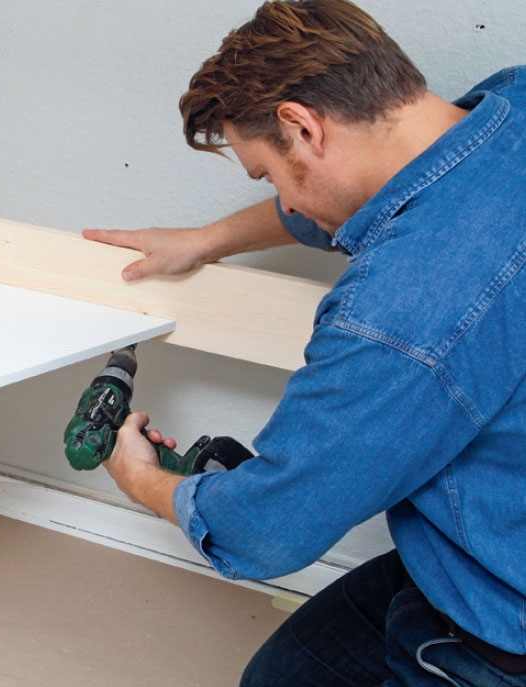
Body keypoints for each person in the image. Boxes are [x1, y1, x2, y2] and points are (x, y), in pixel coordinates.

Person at [84, 1, 526, 685]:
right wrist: (207, 240)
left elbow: (267, 528)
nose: (285, 203)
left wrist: (141, 478)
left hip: (498, 624)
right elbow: (375, 199)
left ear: (302, 126)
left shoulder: (395, 319)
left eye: (269, 174)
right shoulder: (509, 105)